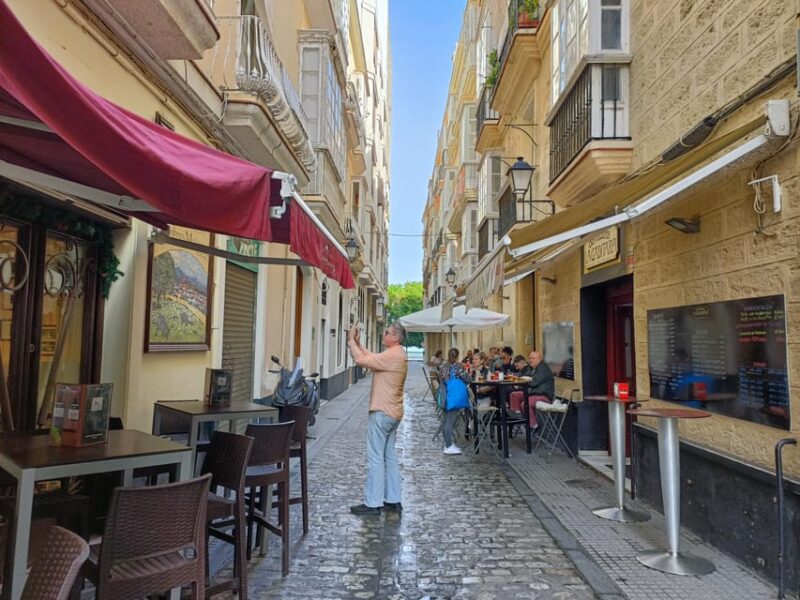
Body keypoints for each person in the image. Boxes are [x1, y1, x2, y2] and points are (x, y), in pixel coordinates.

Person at [347, 322, 409, 516]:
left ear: (396, 338)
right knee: (389, 456)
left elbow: (361, 361)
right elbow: (373, 359)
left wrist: (350, 341)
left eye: (387, 333)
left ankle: (372, 503)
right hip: (394, 412)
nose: (384, 334)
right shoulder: (398, 354)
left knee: (375, 457)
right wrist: (359, 343)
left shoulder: (393, 354)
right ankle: (393, 499)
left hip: (382, 411)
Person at [439, 347, 471, 455]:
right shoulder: (457, 367)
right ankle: (448, 446)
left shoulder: (443, 366)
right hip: (454, 396)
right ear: (457, 356)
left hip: (445, 395)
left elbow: (442, 380)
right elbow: (467, 378)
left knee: (445, 420)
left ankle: (448, 444)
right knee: (450, 421)